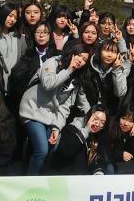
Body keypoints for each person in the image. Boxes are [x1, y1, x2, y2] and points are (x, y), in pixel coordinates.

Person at [18, 43, 91, 175]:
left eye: (84, 59)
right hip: (32, 109)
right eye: (78, 55)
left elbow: (64, 107)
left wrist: (56, 128)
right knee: (42, 150)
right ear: (71, 53)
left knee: (55, 146)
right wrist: (69, 70)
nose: (80, 60)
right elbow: (48, 84)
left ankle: (43, 178)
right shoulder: (53, 62)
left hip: (50, 116)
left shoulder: (76, 80)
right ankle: (29, 181)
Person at [50, 104, 109, 175]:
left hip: (84, 176)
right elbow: (67, 151)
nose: (97, 124)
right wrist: (86, 130)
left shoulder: (99, 135)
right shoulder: (71, 129)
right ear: (89, 116)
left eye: (102, 123)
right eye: (95, 119)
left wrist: (98, 171)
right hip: (66, 174)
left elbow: (100, 157)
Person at [0, 1, 27, 90]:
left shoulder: (20, 38)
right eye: (10, 15)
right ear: (3, 14)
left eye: (15, 17)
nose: (13, 20)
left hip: (14, 87)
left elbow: (24, 62)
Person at [106, 107, 134, 174]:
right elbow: (104, 151)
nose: (125, 123)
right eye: (123, 118)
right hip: (113, 165)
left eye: (130, 121)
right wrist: (120, 155)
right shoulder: (110, 128)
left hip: (129, 168)